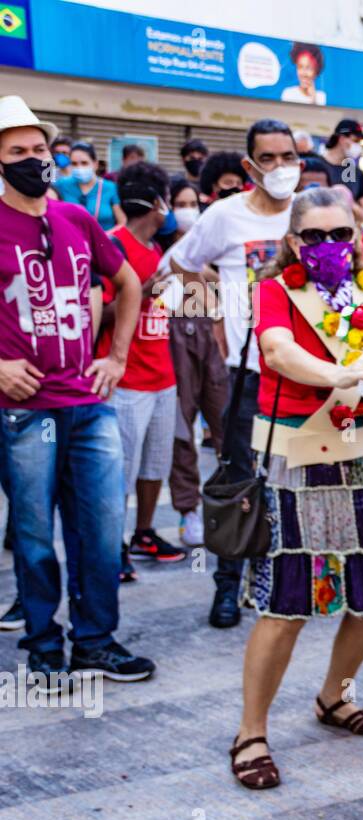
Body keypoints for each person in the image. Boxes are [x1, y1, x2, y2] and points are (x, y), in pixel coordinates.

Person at [229, 188, 363, 788]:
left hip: (362, 455)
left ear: (355, 235)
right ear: (293, 242)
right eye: (313, 237)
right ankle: (251, 732)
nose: (328, 247)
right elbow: (277, 350)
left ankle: (333, 697)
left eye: (340, 234)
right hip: (296, 457)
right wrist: (337, 373)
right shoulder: (274, 290)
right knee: (286, 603)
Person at [0, 95, 155, 683]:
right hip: (22, 411)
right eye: (18, 151)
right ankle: (43, 642)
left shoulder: (76, 219)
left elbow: (128, 281)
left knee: (97, 529)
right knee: (36, 534)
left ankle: (95, 641)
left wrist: (115, 356)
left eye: (40, 149)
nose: (34, 159)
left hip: (89, 404)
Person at [167, 118, 302, 628]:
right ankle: (228, 585)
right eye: (267, 158)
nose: (279, 167)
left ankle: (293, 583)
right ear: (249, 166)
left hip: (307, 375)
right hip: (248, 375)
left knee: (297, 482)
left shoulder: (311, 212)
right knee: (239, 482)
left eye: (287, 156)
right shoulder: (225, 216)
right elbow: (179, 264)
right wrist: (218, 308)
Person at [99, 160, 187, 582]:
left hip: (161, 376)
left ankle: (144, 533)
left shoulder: (159, 251)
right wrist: (142, 291)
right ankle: (110, 545)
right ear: (158, 203)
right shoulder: (111, 245)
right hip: (126, 380)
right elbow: (96, 315)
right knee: (120, 471)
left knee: (155, 465)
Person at [161, 179, 223, 548]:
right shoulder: (159, 248)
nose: (186, 210)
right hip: (172, 335)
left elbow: (222, 282)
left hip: (211, 335)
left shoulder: (211, 245)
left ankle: (232, 504)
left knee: (225, 423)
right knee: (181, 428)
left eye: (190, 203)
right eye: (178, 203)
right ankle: (189, 510)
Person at [55, 141, 124, 231]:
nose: (79, 168)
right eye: (74, 164)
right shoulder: (61, 185)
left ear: (95, 164)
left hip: (104, 242)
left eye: (84, 163)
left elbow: (122, 222)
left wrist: (106, 238)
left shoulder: (110, 187)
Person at [321, 119, 363, 220]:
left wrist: (350, 203)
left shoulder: (356, 172)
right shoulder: (317, 166)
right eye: (356, 141)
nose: (358, 146)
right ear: (342, 138)